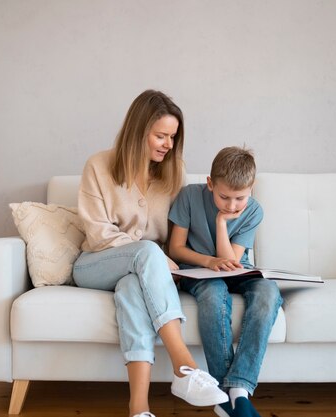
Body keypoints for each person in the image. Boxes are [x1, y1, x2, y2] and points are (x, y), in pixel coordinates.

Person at [72, 90, 228, 417]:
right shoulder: (98, 166)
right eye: (160, 136)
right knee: (144, 253)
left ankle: (138, 409)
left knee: (131, 289)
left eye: (173, 137)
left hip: (139, 272)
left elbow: (174, 234)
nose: (168, 145)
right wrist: (152, 255)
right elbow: (98, 235)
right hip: (94, 265)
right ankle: (183, 365)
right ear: (138, 131)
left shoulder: (173, 172)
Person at [168, 146, 283, 417]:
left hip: (236, 269)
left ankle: (238, 390)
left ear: (251, 189)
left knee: (268, 291)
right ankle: (222, 392)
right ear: (210, 184)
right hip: (197, 271)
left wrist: (222, 222)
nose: (232, 206)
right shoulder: (189, 196)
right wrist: (208, 262)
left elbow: (231, 261)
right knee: (213, 291)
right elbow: (175, 248)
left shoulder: (253, 211)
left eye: (239, 198)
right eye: (224, 197)